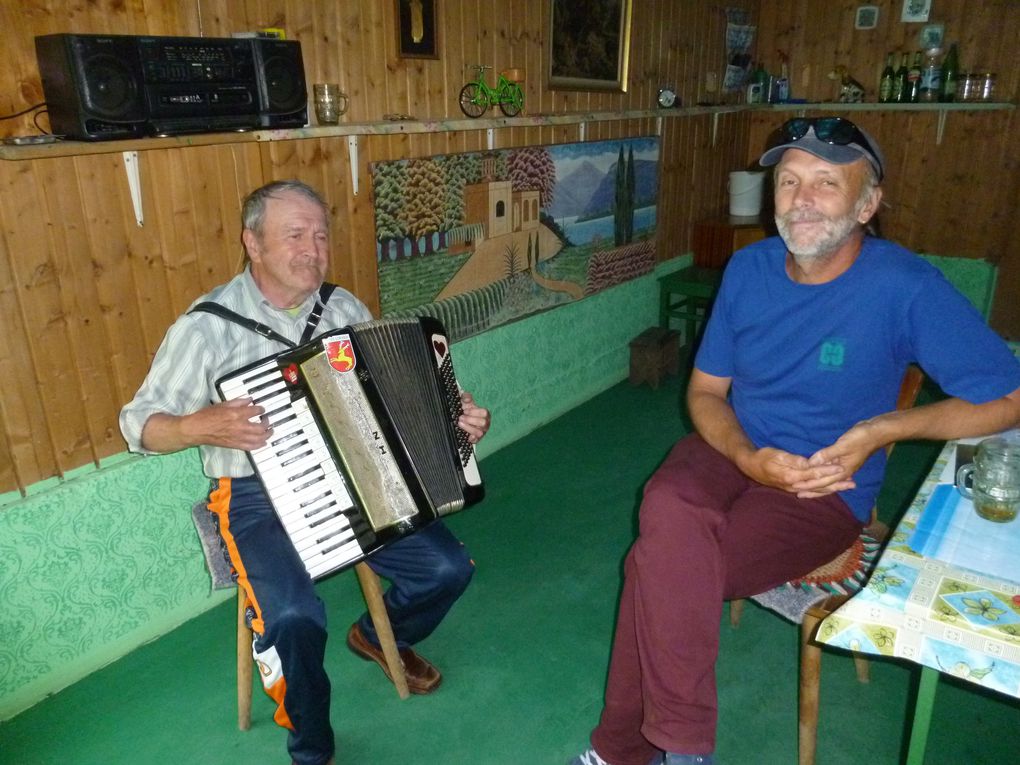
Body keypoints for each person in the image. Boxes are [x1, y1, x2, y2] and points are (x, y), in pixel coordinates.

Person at [571, 117, 1020, 765]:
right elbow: (704, 393)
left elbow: (1007, 396)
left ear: (867, 204)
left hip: (823, 484)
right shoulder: (749, 268)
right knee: (667, 506)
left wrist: (882, 428)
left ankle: (623, 749)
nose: (801, 198)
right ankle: (678, 751)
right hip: (736, 447)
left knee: (656, 569)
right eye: (788, 181)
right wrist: (749, 456)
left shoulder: (905, 285)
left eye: (826, 183)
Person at [120, 179, 491, 765]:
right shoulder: (206, 326)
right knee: (294, 618)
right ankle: (313, 747)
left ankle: (378, 634)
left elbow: (390, 402)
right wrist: (199, 426)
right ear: (253, 243)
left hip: (361, 482)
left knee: (448, 568)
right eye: (294, 235)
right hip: (254, 497)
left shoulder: (343, 309)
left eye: (320, 236)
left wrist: (453, 420)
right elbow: (138, 424)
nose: (313, 250)